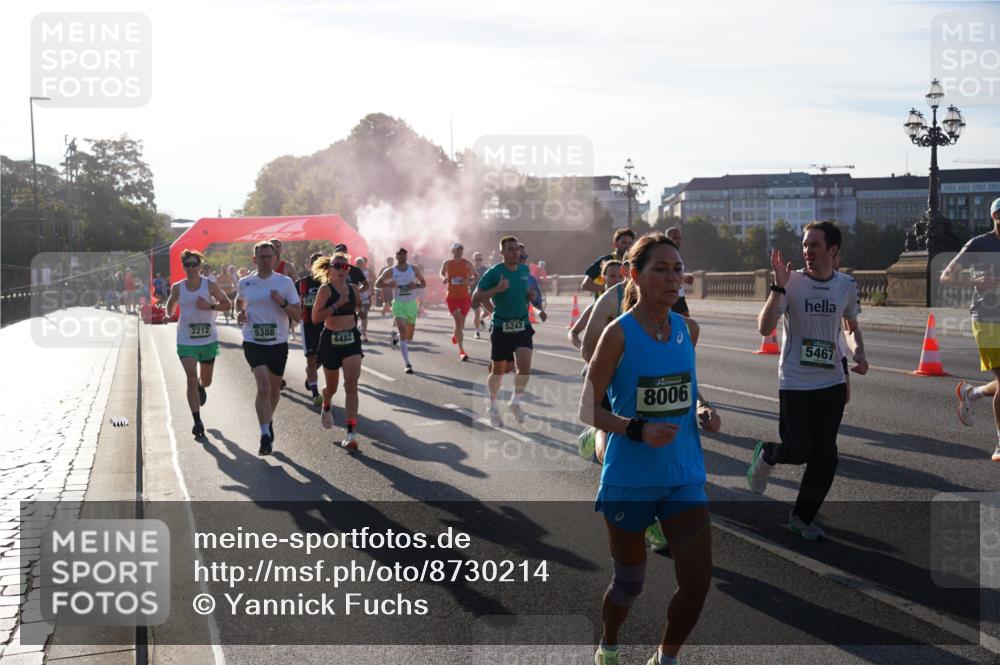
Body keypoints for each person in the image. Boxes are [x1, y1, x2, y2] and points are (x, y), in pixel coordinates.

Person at [580, 233, 715, 665]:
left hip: (683, 475)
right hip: (630, 479)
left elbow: (689, 390)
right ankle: (610, 643)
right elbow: (587, 408)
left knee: (697, 582)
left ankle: (665, 658)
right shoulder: (618, 335)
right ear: (634, 275)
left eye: (677, 269)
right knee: (629, 584)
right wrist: (636, 429)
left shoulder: (687, 330)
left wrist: (702, 409)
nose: (673, 278)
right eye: (661, 269)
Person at [746, 221, 868, 540]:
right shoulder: (793, 282)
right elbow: (764, 328)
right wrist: (778, 287)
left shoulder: (846, 285)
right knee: (799, 449)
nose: (807, 251)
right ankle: (769, 453)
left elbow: (851, 326)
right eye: (804, 245)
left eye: (814, 245)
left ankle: (802, 518)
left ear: (832, 250)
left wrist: (859, 354)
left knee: (826, 456)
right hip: (796, 382)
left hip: (831, 382)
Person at [945, 197, 1000, 462]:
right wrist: (974, 278)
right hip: (987, 318)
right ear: (994, 217)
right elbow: (946, 275)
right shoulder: (979, 243)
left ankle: (972, 393)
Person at [236, 241, 302, 456]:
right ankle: (265, 434)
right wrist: (241, 314)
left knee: (274, 390)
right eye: (261, 257)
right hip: (253, 341)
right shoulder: (246, 283)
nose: (265, 260)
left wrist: (281, 302)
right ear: (254, 260)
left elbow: (298, 316)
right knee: (263, 388)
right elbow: (240, 302)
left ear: (275, 258)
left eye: (268, 256)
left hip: (278, 343)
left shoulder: (285, 283)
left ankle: (267, 419)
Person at [472, 236, 537, 427]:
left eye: (517, 249)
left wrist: (529, 295)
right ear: (502, 253)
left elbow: (520, 293)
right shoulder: (494, 273)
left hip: (522, 325)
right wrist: (497, 290)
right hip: (501, 327)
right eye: (510, 249)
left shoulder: (524, 270)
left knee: (524, 369)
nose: (515, 253)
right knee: (498, 372)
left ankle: (515, 402)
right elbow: (475, 299)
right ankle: (492, 405)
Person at [166, 250, 231, 439]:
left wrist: (210, 306)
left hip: (207, 340)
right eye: (188, 265)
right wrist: (168, 314)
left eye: (195, 264)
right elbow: (171, 303)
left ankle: (202, 386)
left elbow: (227, 304)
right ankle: (197, 421)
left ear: (200, 267)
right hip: (186, 340)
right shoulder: (178, 287)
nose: (192, 268)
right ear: (184, 267)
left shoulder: (209, 285)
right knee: (191, 378)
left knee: (206, 381)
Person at [312, 252, 365, 449]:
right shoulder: (325, 290)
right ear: (330, 269)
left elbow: (358, 306)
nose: (342, 269)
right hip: (331, 341)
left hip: (351, 339)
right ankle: (326, 403)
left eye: (345, 266)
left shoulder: (353, 289)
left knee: (351, 384)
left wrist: (359, 311)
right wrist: (337, 304)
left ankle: (351, 433)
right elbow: (316, 317)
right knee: (331, 387)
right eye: (337, 266)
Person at [374, 248, 426, 374]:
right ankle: (407, 364)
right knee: (403, 330)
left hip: (412, 305)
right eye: (400, 254)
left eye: (404, 254)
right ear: (396, 256)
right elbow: (377, 283)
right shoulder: (391, 271)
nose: (402, 256)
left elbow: (423, 283)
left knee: (409, 336)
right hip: (398, 304)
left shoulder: (413, 269)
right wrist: (389, 285)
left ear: (406, 255)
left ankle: (395, 337)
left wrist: (417, 285)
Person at [440, 242, 479, 361]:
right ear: (452, 251)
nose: (459, 252)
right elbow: (441, 273)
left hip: (465, 297)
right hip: (452, 297)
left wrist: (469, 282)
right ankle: (462, 351)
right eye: (457, 250)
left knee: (461, 324)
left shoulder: (467, 263)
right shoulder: (447, 263)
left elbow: (475, 276)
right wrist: (444, 278)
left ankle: (456, 335)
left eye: (461, 250)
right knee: (457, 321)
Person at [297, 252, 326, 406]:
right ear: (309, 265)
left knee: (321, 359)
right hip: (308, 326)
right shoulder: (301, 284)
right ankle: (315, 393)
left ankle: (310, 377)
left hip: (326, 325)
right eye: (314, 262)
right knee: (311, 358)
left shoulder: (329, 283)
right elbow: (291, 301)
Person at [582, 228, 635, 298]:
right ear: (615, 244)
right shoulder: (604, 261)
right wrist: (608, 288)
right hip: (604, 305)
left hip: (625, 306)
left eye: (630, 243)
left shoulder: (635, 262)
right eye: (623, 242)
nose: (627, 246)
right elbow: (585, 285)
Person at [665, 227, 695, 317]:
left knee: (681, 323)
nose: (678, 241)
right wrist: (685, 279)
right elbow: (667, 273)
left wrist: (684, 277)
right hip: (669, 293)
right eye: (674, 238)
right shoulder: (666, 254)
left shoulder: (677, 254)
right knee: (685, 323)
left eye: (680, 238)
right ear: (667, 239)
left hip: (679, 293)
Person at [519, 243, 548, 323]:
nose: (523, 260)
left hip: (522, 323)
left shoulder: (531, 279)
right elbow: (482, 296)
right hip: (501, 324)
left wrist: (540, 312)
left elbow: (536, 303)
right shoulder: (499, 273)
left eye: (525, 257)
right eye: (520, 257)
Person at [354, 256, 373, 343]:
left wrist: (372, 293)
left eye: (361, 263)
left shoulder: (367, 272)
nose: (360, 265)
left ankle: (364, 333)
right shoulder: (352, 272)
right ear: (355, 264)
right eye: (358, 263)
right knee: (356, 316)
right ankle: (356, 331)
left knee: (364, 314)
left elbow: (370, 283)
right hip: (355, 298)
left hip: (365, 297)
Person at [472, 252, 489, 338]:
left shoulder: (485, 269)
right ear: (474, 260)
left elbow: (490, 280)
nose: (479, 261)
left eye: (480, 259)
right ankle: (477, 332)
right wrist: (472, 281)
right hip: (474, 294)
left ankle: (481, 320)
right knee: (477, 313)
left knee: (487, 311)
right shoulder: (471, 269)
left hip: (484, 294)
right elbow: (467, 282)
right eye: (477, 259)